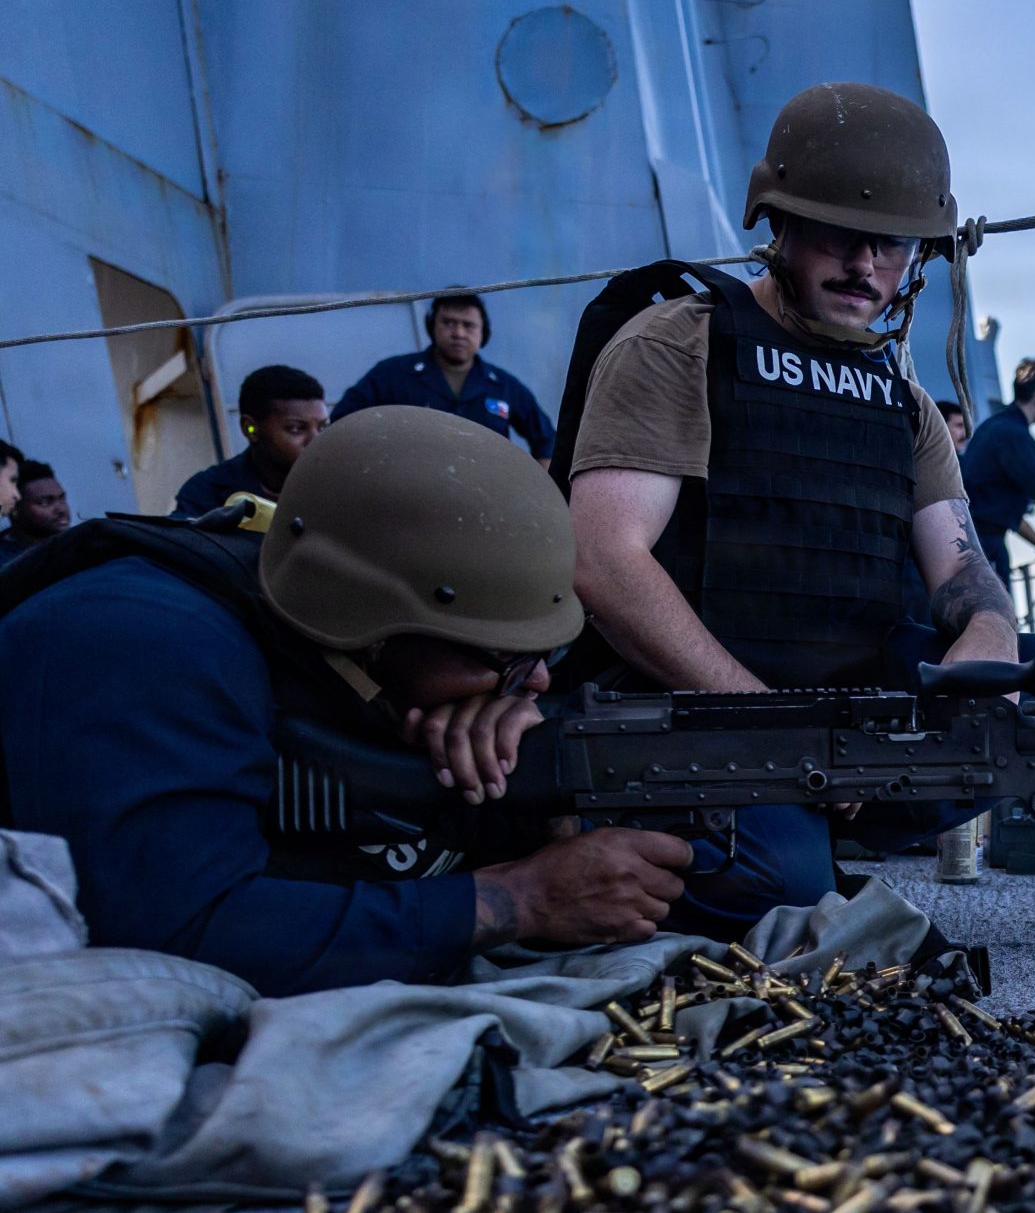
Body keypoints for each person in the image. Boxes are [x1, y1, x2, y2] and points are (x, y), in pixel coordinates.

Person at [0, 407, 751, 998]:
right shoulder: (138, 644)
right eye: (503, 656)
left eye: (539, 657)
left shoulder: (337, 648)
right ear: (367, 626)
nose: (539, 681)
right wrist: (517, 899)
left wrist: (518, 770)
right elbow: (177, 935)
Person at [551, 80, 1035, 869]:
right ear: (783, 223)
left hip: (837, 700)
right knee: (787, 883)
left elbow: (964, 572)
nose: (865, 263)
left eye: (892, 243)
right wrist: (774, 726)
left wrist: (987, 634)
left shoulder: (902, 401)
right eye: (839, 232)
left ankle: (825, 813)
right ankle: (758, 829)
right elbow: (603, 560)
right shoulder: (679, 344)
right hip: (691, 703)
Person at [334, 292, 556, 465]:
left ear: (483, 332)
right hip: (408, 497)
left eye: (468, 325)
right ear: (432, 326)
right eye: (449, 322)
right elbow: (342, 422)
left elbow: (548, 441)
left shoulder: (503, 385)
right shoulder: (394, 374)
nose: (458, 333)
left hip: (485, 500)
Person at [961, 358, 1035, 583]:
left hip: (978, 541)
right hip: (983, 548)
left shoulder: (997, 427)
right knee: (994, 614)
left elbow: (1002, 512)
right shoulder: (1011, 435)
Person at [172, 365, 331, 518]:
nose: (316, 440)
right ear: (250, 428)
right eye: (296, 429)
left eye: (323, 427)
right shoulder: (207, 494)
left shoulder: (342, 483)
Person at [0, 461, 69, 561]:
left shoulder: (81, 546)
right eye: (45, 502)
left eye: (62, 498)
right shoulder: (4, 562)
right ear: (13, 509)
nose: (61, 510)